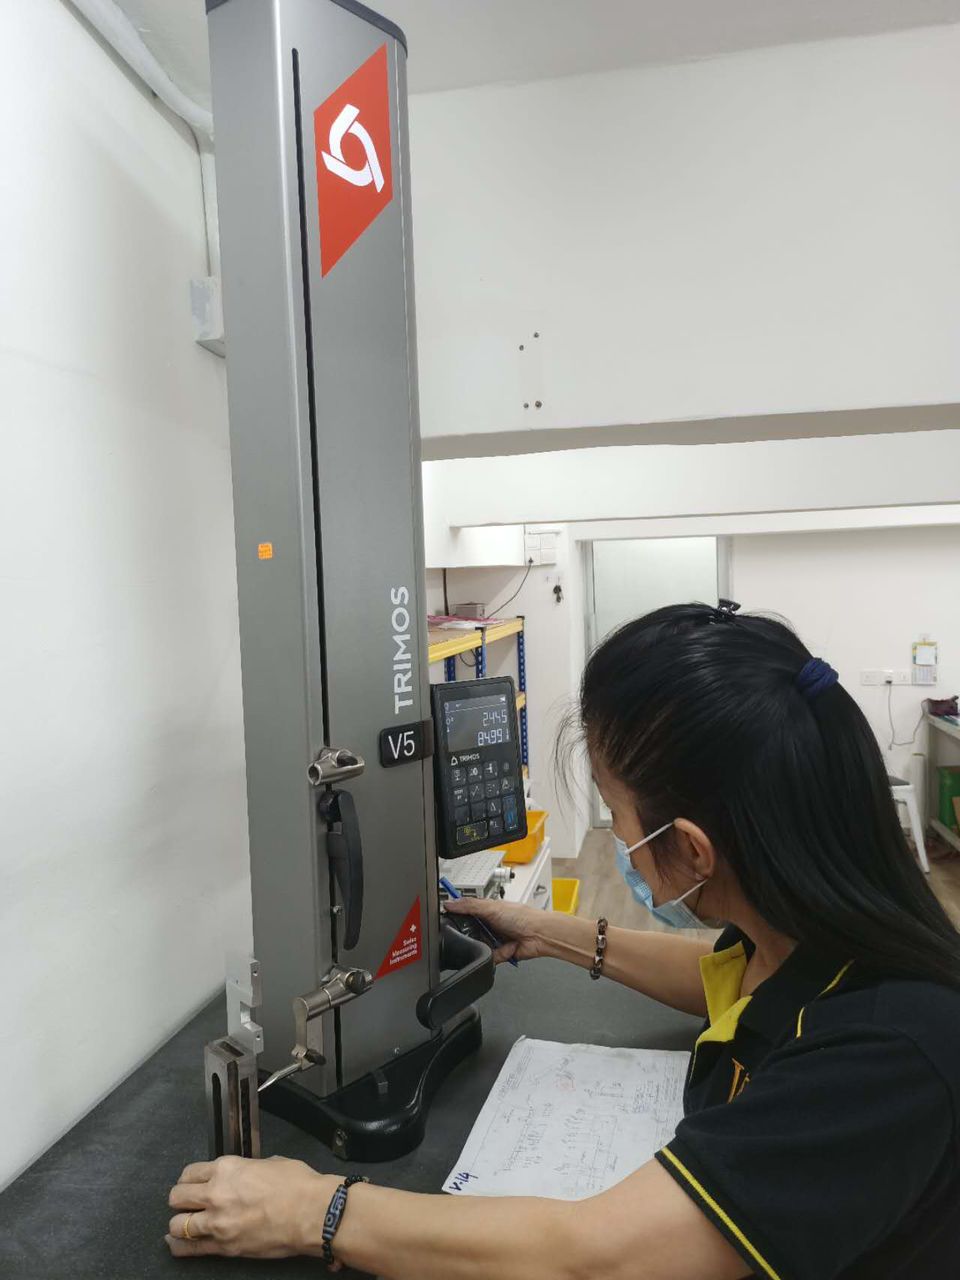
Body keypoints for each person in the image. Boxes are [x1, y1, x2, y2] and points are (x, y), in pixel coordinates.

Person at [167, 603, 960, 1278]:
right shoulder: (817, 935)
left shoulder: (886, 1057)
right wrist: (557, 935)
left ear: (693, 850)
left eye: (616, 814)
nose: (616, 835)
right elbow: (729, 978)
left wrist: (317, 1210)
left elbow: (590, 1260)